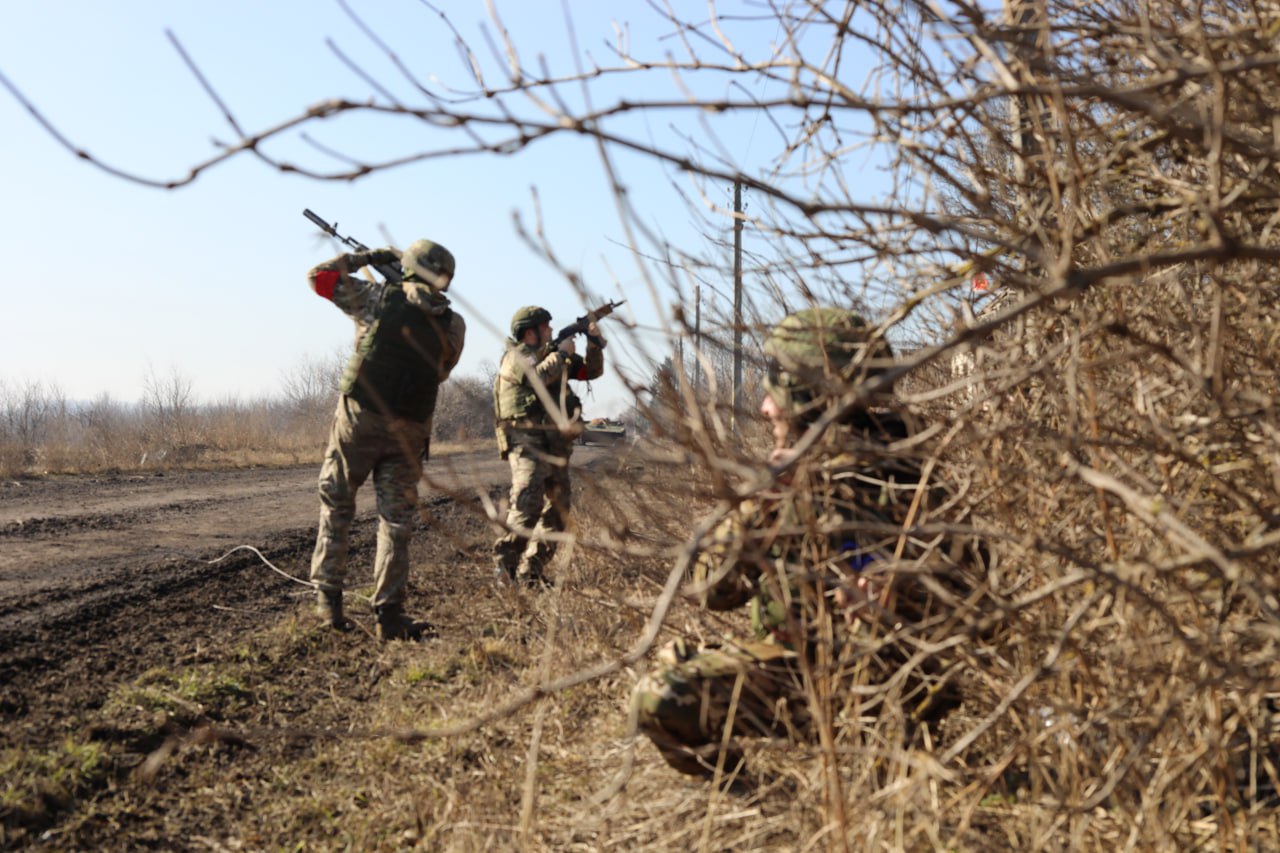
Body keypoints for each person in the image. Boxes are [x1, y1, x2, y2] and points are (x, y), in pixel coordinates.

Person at [632, 307, 988, 780]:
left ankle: (885, 767)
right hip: (799, 680)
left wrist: (900, 593)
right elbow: (711, 592)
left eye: (774, 390)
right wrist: (756, 511)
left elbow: (982, 611)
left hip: (891, 695)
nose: (764, 408)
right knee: (662, 690)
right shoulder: (785, 482)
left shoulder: (913, 480)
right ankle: (754, 797)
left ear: (808, 395)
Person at [307, 239, 465, 641]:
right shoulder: (453, 324)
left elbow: (318, 278)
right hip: (410, 428)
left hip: (359, 417)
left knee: (337, 505)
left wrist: (368, 258)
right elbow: (442, 371)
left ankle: (328, 604)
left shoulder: (376, 296)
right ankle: (389, 616)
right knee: (395, 522)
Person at [492, 305, 606, 586]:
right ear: (530, 332)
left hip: (554, 443)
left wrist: (593, 342)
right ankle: (505, 569)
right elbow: (537, 378)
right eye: (547, 327)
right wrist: (562, 353)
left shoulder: (553, 356)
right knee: (528, 503)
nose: (552, 331)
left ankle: (531, 571)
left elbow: (592, 371)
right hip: (525, 440)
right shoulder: (517, 356)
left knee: (558, 510)